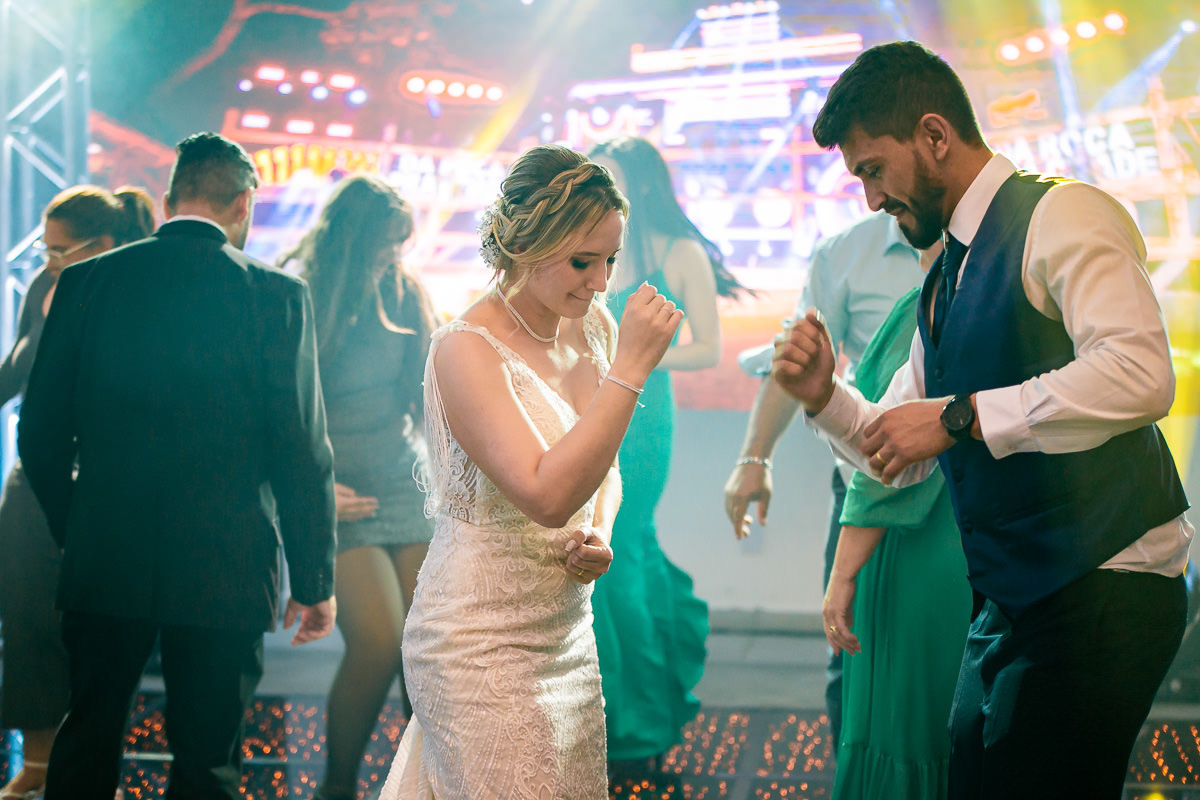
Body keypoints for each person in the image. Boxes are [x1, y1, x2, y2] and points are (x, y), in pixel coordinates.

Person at [773, 41, 1190, 800]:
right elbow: (896, 447)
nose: (871, 199)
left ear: (935, 135)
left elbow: (1139, 375)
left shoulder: (1064, 213)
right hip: (1014, 597)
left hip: (1109, 580)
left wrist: (962, 416)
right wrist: (822, 395)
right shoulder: (944, 275)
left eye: (874, 170)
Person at [17, 132, 338, 800]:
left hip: (105, 553)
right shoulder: (277, 295)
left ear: (169, 200)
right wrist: (314, 577)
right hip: (227, 559)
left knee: (88, 738)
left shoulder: (85, 282)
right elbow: (300, 450)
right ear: (244, 204)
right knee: (207, 759)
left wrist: (77, 526)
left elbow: (40, 434)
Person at [379, 143, 682, 799]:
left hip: (567, 633)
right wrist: (633, 369)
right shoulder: (466, 349)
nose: (600, 282)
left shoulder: (593, 327)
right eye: (582, 261)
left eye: (610, 260)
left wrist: (600, 532)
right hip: (477, 640)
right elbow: (545, 495)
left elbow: (602, 470)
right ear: (523, 244)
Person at [724, 209, 921, 744]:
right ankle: (854, 772)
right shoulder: (843, 253)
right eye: (861, 175)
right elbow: (796, 364)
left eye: (874, 171)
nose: (873, 196)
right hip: (867, 482)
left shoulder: (993, 243)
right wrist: (755, 458)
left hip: (960, 497)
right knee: (848, 647)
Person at [279, 175, 437, 800]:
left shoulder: (404, 291)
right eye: (385, 241)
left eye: (401, 242)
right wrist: (314, 490)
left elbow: (429, 398)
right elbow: (280, 413)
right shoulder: (302, 294)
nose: (394, 254)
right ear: (353, 238)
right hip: (337, 491)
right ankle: (337, 788)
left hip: (402, 483)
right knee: (376, 642)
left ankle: (422, 786)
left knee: (424, 651)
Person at [0, 184, 154, 800]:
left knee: (94, 631)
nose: (49, 261)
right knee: (26, 618)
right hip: (36, 474)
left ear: (105, 245)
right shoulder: (44, 288)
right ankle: (37, 762)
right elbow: (18, 369)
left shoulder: (133, 296)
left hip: (103, 479)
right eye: (46, 248)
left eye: (61, 250)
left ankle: (88, 767)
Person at [586, 136, 735, 769]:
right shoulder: (587, 250)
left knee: (625, 551)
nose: (596, 188)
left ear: (641, 184)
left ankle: (639, 725)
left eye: (609, 178)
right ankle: (612, 720)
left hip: (644, 421)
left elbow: (708, 348)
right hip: (585, 414)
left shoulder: (679, 252)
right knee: (597, 557)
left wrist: (631, 364)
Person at [822, 268, 973, 800]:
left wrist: (842, 574)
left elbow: (885, 458)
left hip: (918, 548)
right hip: (981, 548)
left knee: (907, 734)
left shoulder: (932, 303)